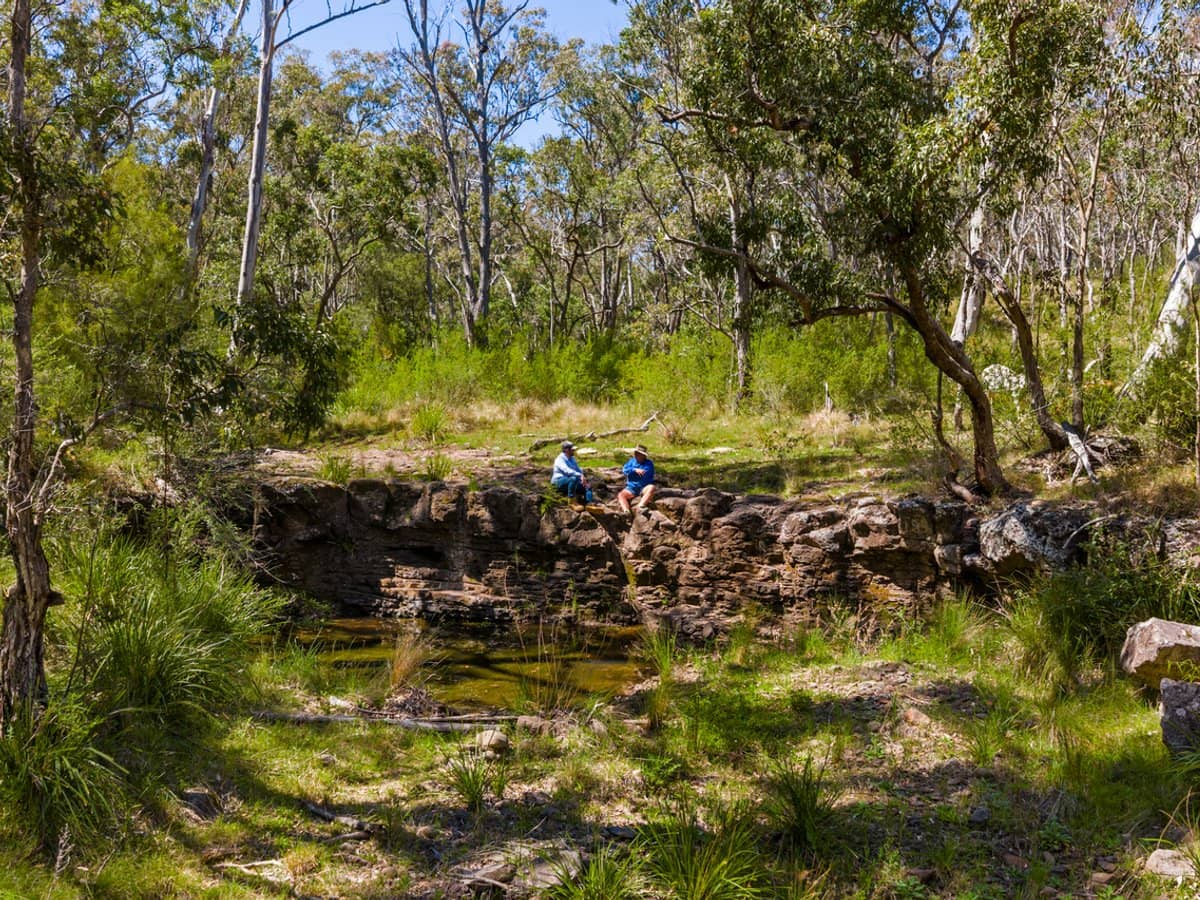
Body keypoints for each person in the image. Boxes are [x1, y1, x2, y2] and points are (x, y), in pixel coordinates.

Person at [618, 444, 656, 514]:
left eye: (638, 454)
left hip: (643, 487)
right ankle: (626, 511)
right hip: (631, 488)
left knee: (652, 488)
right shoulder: (631, 461)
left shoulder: (649, 463)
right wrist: (634, 470)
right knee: (621, 495)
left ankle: (641, 506)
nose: (636, 455)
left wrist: (632, 472)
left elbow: (644, 474)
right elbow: (625, 470)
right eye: (635, 453)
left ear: (644, 455)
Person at [551, 440, 592, 504]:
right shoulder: (559, 459)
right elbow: (566, 470)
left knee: (587, 486)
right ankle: (571, 501)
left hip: (572, 482)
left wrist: (583, 477)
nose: (574, 451)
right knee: (573, 478)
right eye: (572, 450)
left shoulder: (572, 459)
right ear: (566, 450)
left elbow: (578, 470)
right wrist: (579, 475)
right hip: (558, 482)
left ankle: (589, 504)